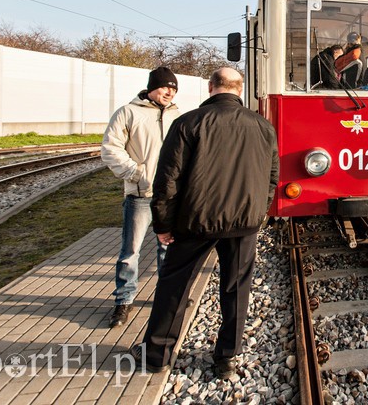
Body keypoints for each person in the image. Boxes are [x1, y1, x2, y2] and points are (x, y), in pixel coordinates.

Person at [131, 66, 279, 378]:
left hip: (195, 221)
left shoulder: (188, 122)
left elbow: (168, 178)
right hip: (244, 223)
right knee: (236, 289)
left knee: (175, 285)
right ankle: (226, 358)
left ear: (211, 87)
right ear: (239, 90)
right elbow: (271, 178)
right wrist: (259, 212)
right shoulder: (263, 126)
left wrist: (162, 223)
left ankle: (157, 354)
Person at [101, 66, 180, 328]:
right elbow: (110, 149)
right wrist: (136, 173)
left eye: (173, 88)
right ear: (151, 87)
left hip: (168, 196)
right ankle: (123, 301)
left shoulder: (177, 115)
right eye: (165, 86)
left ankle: (166, 297)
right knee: (130, 251)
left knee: (168, 249)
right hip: (140, 195)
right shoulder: (128, 113)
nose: (169, 91)